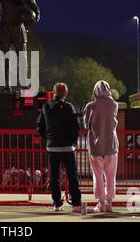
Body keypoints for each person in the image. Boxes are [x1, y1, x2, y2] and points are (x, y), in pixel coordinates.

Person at [37, 83, 82, 213]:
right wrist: (73, 142)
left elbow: (39, 126)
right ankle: (76, 204)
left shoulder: (46, 107)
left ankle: (57, 203)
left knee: (54, 176)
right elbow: (75, 127)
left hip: (52, 148)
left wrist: (48, 139)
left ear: (54, 92)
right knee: (72, 176)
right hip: (67, 147)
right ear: (65, 93)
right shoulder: (68, 107)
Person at [0, 0, 41, 92]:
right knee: (4, 59)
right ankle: (7, 85)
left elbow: (35, 8)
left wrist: (34, 17)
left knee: (22, 57)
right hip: (4, 28)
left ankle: (23, 82)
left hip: (18, 27)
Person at [83, 81, 119, 213]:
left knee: (97, 175)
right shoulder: (114, 105)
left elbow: (86, 125)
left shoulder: (90, 106)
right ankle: (109, 202)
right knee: (110, 175)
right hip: (111, 145)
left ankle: (101, 202)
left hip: (95, 146)